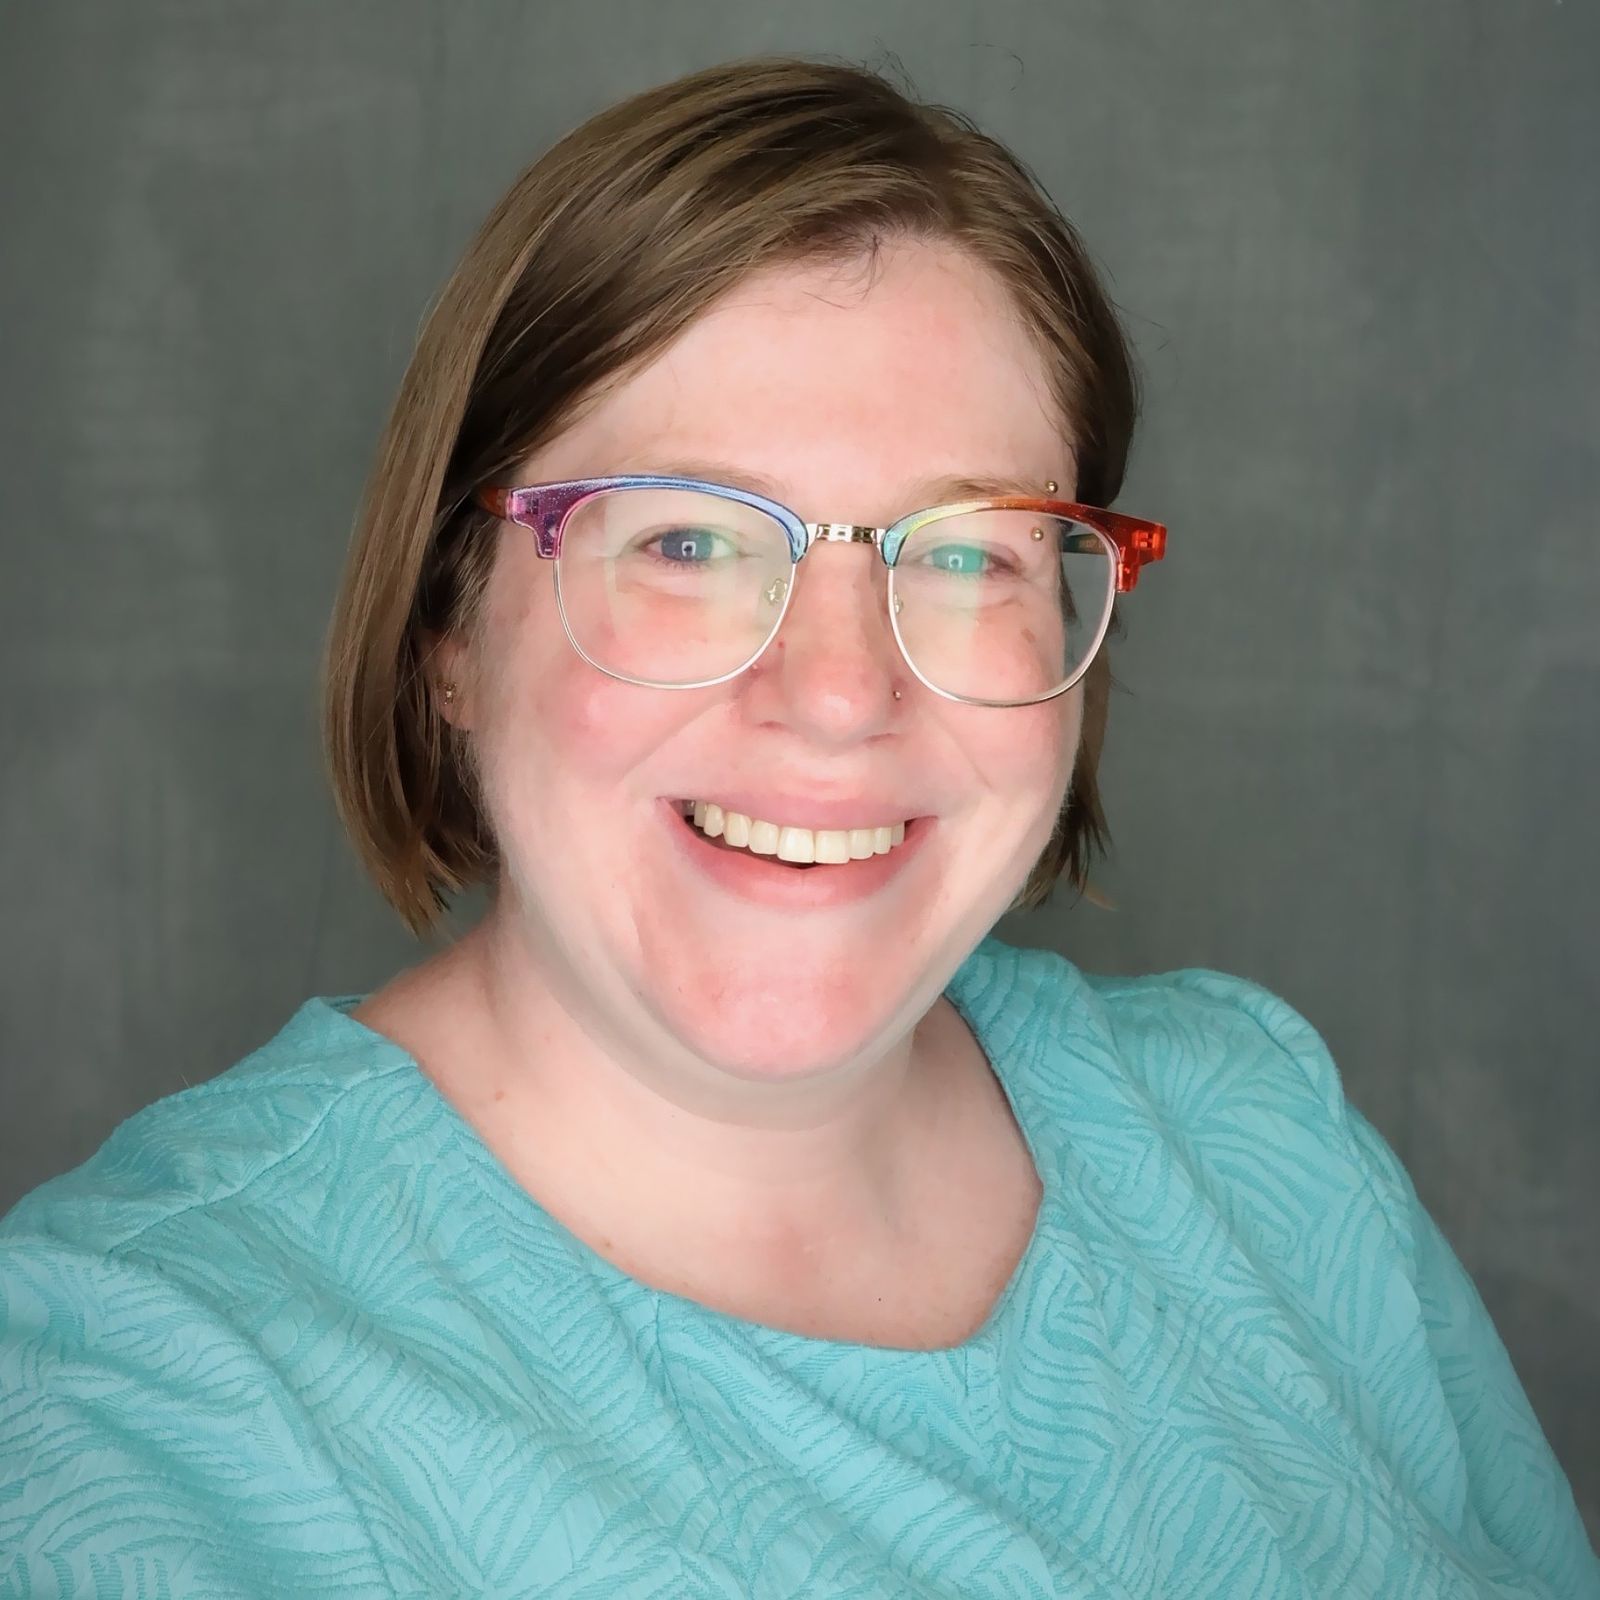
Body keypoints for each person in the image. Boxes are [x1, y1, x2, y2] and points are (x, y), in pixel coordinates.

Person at [1, 54, 1594, 1599]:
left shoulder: (1262, 1137)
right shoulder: (133, 1405)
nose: (838, 693)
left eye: (967, 554)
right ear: (448, 636)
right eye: (688, 541)